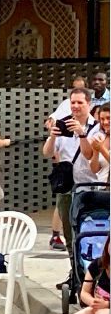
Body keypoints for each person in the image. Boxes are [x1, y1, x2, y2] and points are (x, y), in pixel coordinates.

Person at [43, 87, 100, 278]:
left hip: (90, 187)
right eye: (72, 102)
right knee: (69, 234)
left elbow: (89, 154)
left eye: (80, 103)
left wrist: (82, 134)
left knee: (88, 232)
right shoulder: (64, 125)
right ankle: (75, 272)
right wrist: (53, 136)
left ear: (89, 104)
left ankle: (90, 273)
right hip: (67, 187)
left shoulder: (97, 127)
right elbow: (47, 153)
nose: (75, 106)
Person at [30, 240, 110, 314]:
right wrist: (93, 302)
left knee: (103, 310)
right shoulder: (98, 265)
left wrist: (106, 304)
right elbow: (84, 293)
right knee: (91, 310)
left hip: (105, 311)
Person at [86, 104, 110, 180]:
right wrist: (95, 151)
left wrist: (101, 149)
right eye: (102, 119)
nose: (105, 122)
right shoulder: (103, 137)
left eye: (109, 118)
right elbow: (94, 170)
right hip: (101, 187)